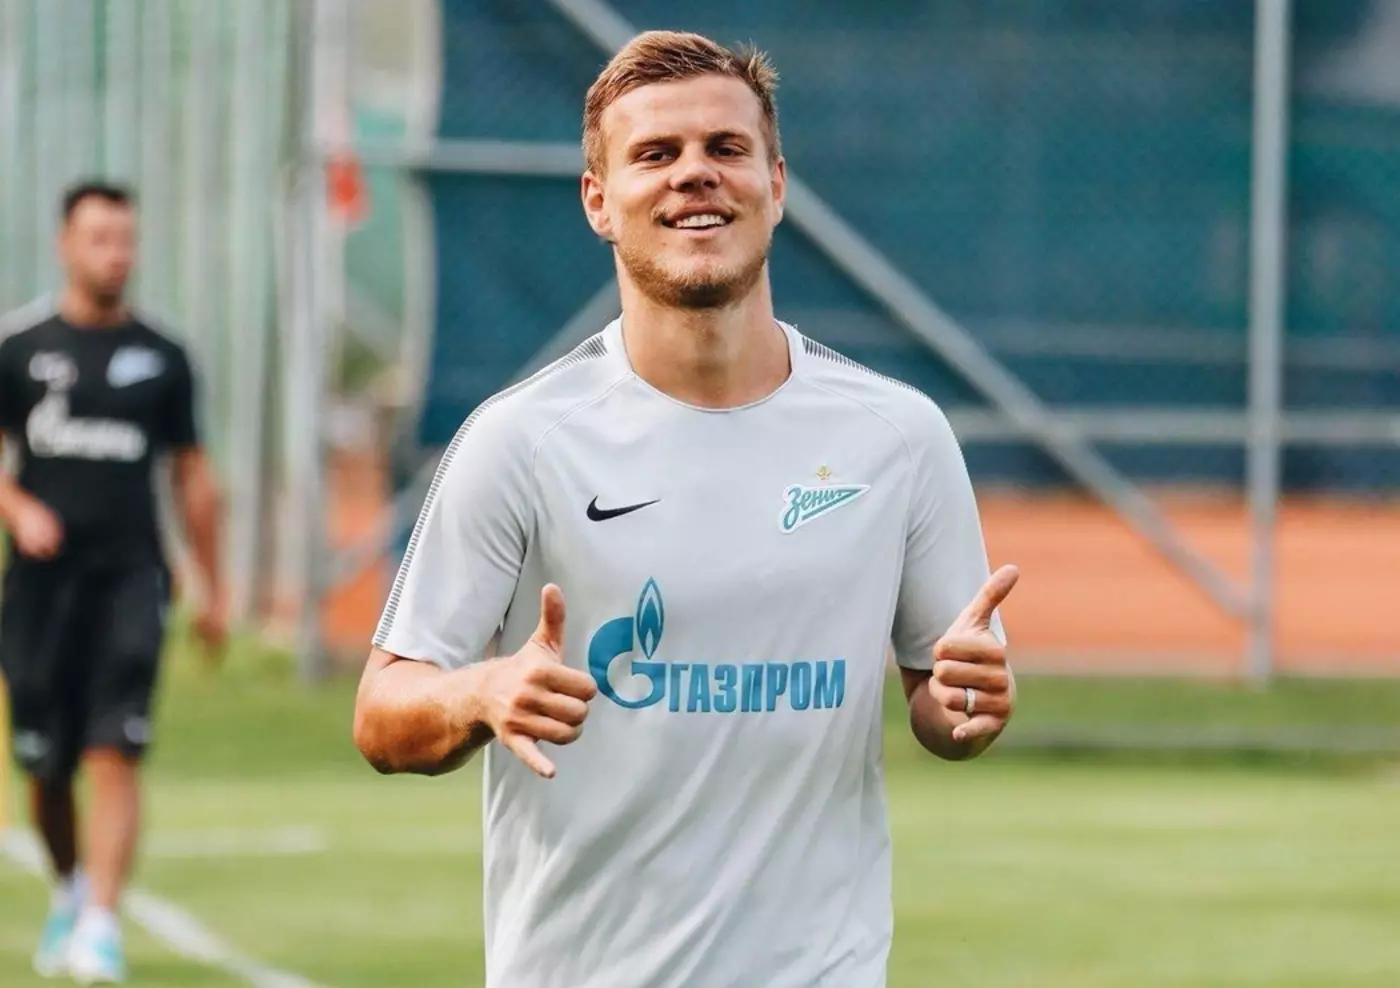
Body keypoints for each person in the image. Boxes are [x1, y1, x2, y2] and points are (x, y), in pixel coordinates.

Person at [354, 30, 1018, 988]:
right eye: (656, 153)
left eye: (726, 148)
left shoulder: (900, 436)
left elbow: (941, 705)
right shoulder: (521, 440)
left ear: (775, 185)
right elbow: (383, 714)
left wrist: (967, 705)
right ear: (598, 201)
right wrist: (481, 692)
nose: (694, 174)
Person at [0, 180, 226, 984]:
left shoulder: (163, 357)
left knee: (115, 748)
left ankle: (101, 923)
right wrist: (18, 506)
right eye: (99, 238)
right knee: (44, 767)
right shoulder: (19, 348)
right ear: (65, 244)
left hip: (131, 579)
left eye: (125, 239)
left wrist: (213, 587)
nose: (115, 254)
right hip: (40, 591)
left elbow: (193, 475)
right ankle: (70, 887)